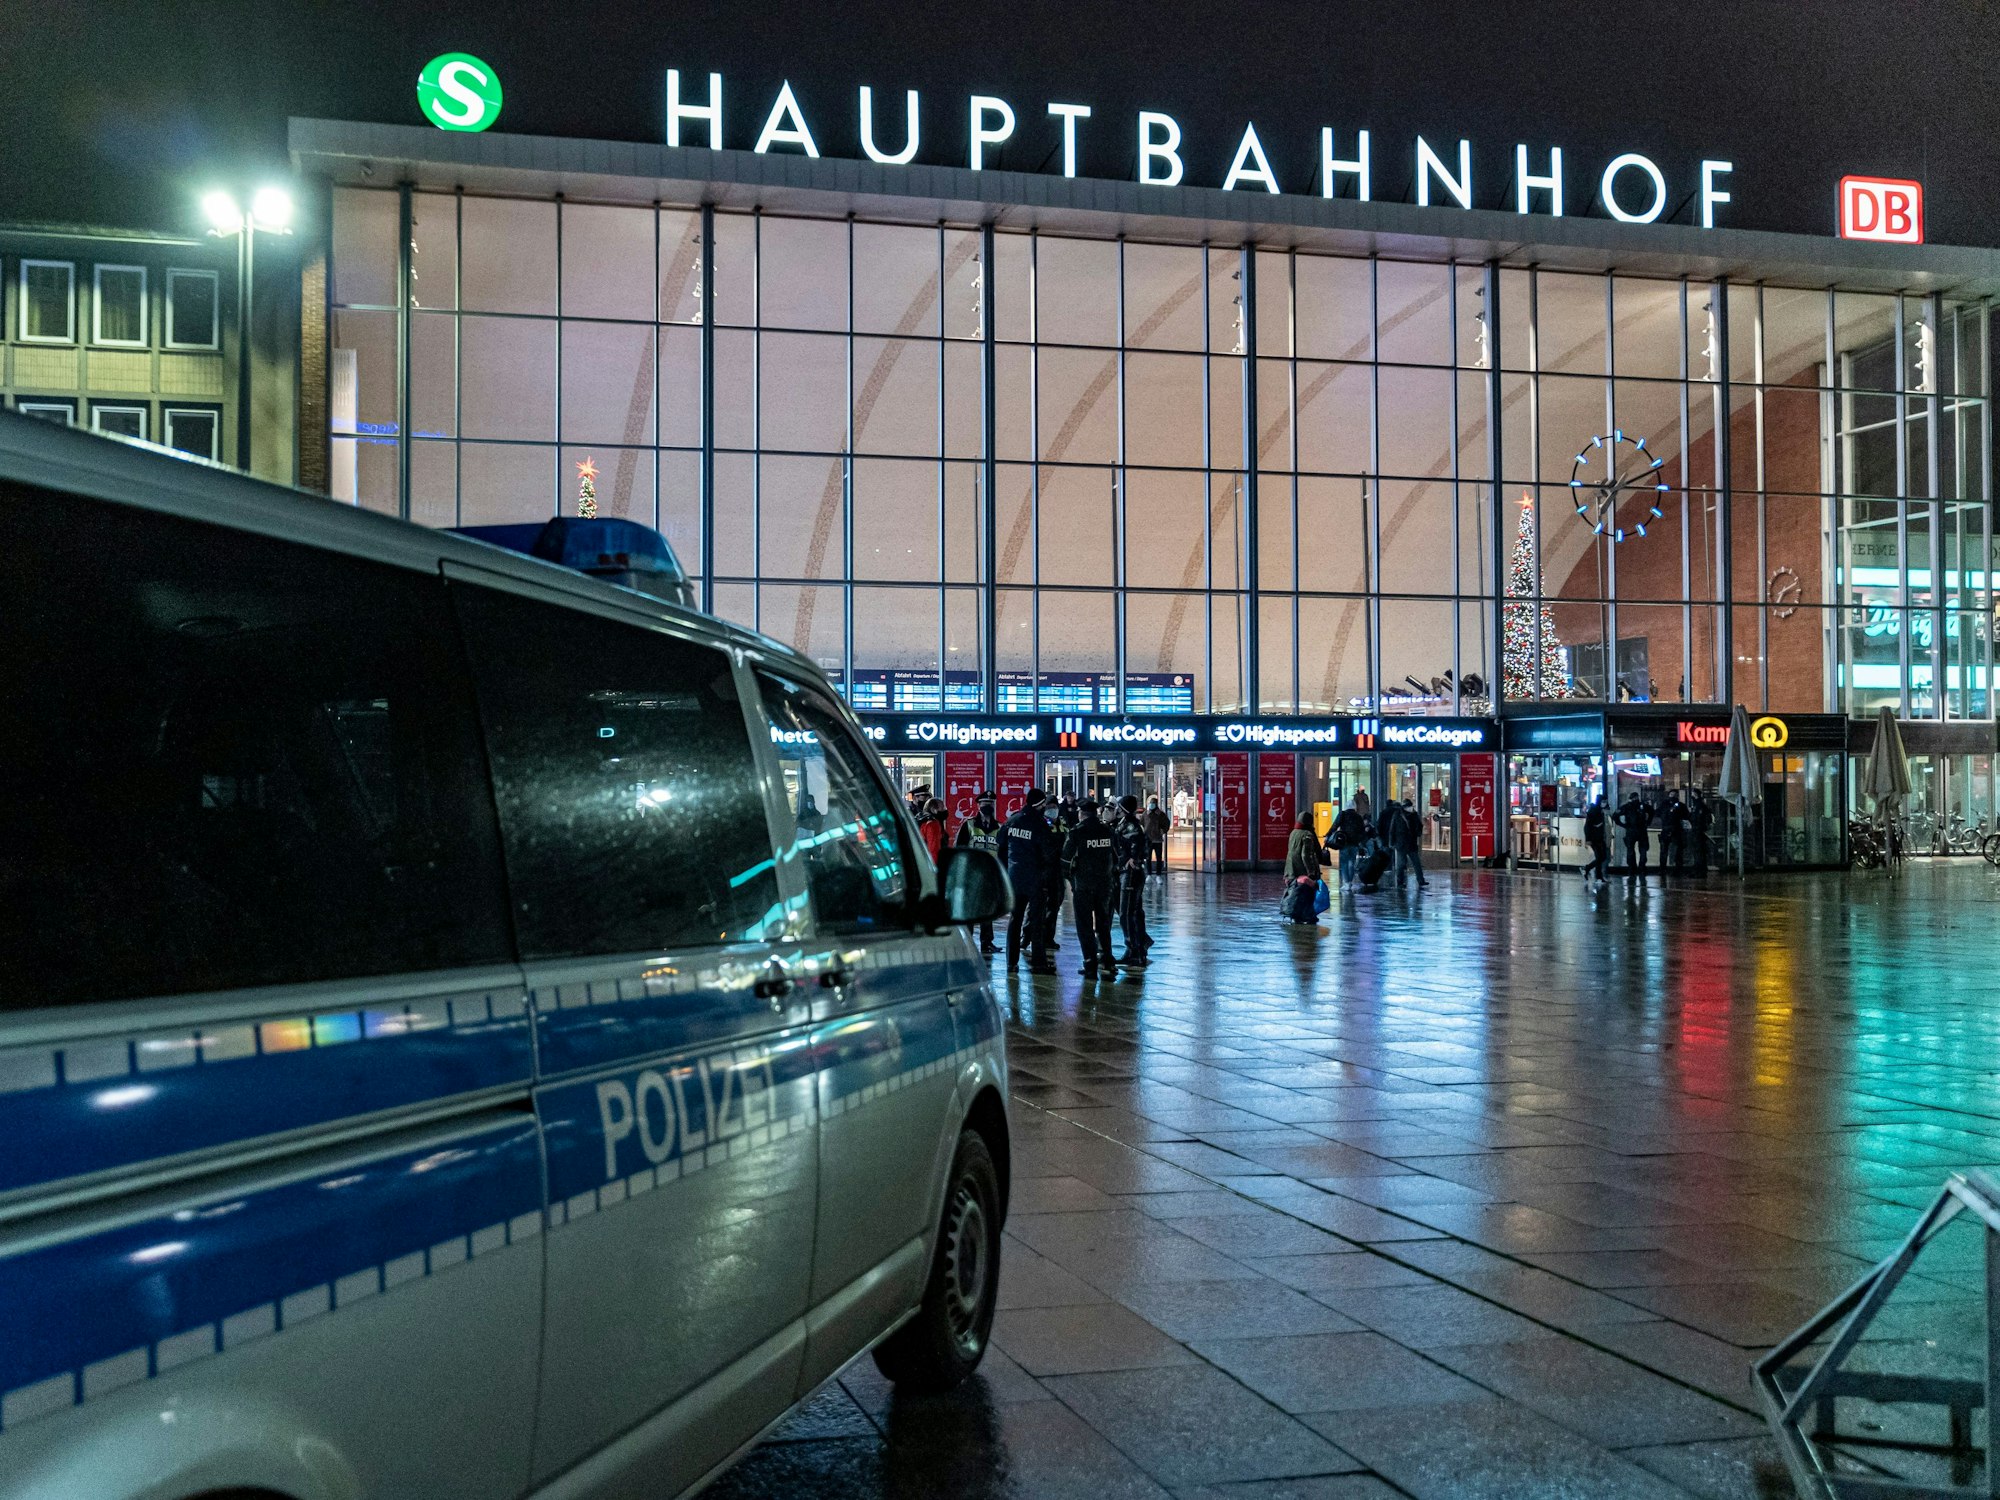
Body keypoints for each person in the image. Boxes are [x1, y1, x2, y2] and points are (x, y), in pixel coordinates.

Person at [1002, 788, 1059, 974]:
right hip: (1035, 879)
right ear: (1040, 805)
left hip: (1014, 878)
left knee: (1015, 919)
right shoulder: (1040, 824)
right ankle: (1039, 962)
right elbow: (1048, 852)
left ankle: (1011, 962)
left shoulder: (1013, 820)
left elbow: (1000, 843)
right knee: (1036, 921)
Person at [1065, 799, 1118, 976]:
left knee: (1085, 925)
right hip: (1104, 885)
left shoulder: (1077, 831)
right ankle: (1107, 960)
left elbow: (1065, 859)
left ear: (1081, 814)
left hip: (1083, 885)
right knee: (1103, 923)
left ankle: (1090, 962)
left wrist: (1071, 880)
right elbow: (1116, 855)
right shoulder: (1107, 830)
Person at [954, 791, 1003, 953]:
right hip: (971, 874)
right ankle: (967, 942)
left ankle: (987, 942)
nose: (988, 806)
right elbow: (959, 849)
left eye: (991, 803)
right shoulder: (969, 825)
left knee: (987, 910)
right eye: (985, 803)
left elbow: (1002, 853)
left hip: (989, 875)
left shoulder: (999, 827)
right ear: (978, 805)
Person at [1112, 794, 1153, 969]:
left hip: (1130, 874)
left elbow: (1139, 844)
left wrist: (1133, 859)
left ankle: (1134, 950)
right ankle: (1139, 946)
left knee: (1127, 913)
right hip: (1127, 872)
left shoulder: (1131, 826)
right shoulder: (1124, 824)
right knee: (1133, 912)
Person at [1282, 811, 1323, 923]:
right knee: (1307, 893)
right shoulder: (1307, 834)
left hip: (1290, 870)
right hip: (1302, 871)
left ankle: (1296, 914)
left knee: (1296, 893)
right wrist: (1311, 872)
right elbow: (1306, 855)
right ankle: (1307, 915)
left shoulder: (1293, 832)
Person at [1327, 795, 1370, 888]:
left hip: (1344, 842)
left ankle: (1346, 882)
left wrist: (1328, 834)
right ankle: (1350, 882)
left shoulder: (1342, 814)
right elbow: (1362, 831)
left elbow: (1335, 825)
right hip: (1354, 843)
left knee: (1344, 862)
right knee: (1351, 862)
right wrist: (1361, 842)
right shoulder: (1358, 817)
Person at [1392, 797, 1429, 888]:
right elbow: (1392, 829)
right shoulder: (1398, 815)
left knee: (1416, 863)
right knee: (1401, 864)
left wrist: (1418, 832)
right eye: (1409, 806)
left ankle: (1421, 880)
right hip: (1402, 843)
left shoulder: (1414, 814)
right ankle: (1400, 882)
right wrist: (1392, 842)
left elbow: (1419, 825)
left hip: (1411, 843)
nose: (1410, 808)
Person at [1614, 793, 1652, 875]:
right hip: (1641, 830)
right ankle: (1641, 869)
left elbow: (1615, 815)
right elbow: (1652, 812)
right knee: (1642, 851)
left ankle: (1632, 869)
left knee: (1631, 850)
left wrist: (1623, 825)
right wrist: (1648, 822)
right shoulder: (1642, 806)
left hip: (1631, 830)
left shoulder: (1627, 806)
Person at [1582, 798, 1610, 884]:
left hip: (1599, 838)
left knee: (1602, 857)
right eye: (1603, 801)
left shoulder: (1600, 811)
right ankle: (1598, 876)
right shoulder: (1594, 811)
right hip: (1595, 838)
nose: (1605, 803)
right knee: (1601, 857)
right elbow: (1587, 826)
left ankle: (1588, 869)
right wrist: (1588, 839)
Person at [1660, 792, 1690, 871]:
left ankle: (1677, 868)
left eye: (1674, 795)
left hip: (1675, 829)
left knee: (1677, 850)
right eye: (1671, 795)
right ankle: (1663, 868)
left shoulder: (1680, 806)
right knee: (1665, 850)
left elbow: (1686, 815)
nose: (1672, 797)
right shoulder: (1665, 804)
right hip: (1669, 829)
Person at [1144, 796, 1171, 875]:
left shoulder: (1161, 814)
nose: (1151, 804)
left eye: (1153, 803)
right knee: (1148, 857)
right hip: (1148, 839)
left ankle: (1158, 874)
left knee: (1159, 857)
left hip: (1158, 840)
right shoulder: (1146, 813)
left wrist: (1163, 831)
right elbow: (1141, 823)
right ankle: (1149, 874)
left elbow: (1167, 823)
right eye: (1150, 803)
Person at [1689, 790, 1713, 873]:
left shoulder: (1700, 806)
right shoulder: (1697, 805)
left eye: (1693, 795)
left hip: (1698, 830)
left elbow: (1700, 818)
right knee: (1698, 851)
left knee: (1699, 851)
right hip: (1697, 830)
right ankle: (1699, 869)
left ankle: (1700, 870)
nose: (1692, 797)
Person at [917, 796, 947, 863]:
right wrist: (935, 867)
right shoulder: (933, 824)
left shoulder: (921, 820)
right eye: (942, 808)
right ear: (934, 809)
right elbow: (933, 849)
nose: (945, 810)